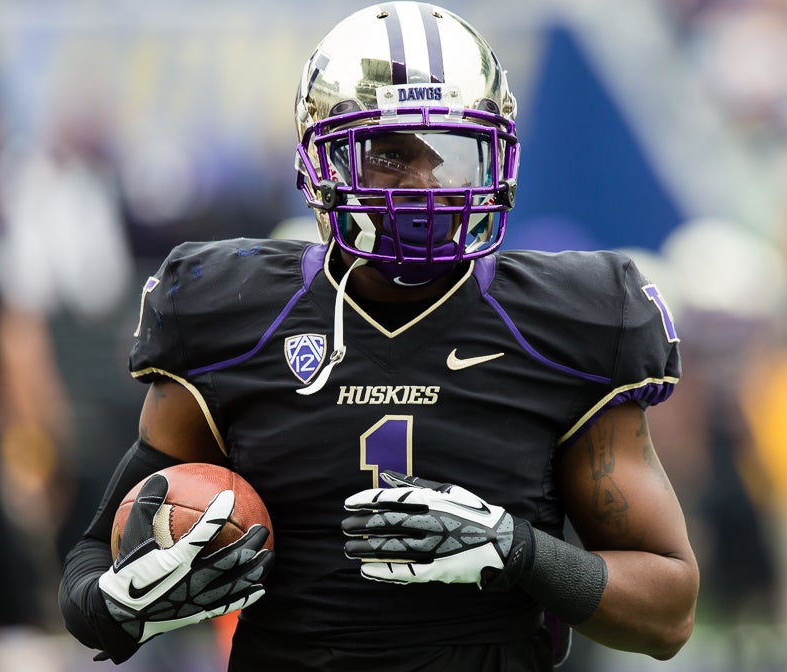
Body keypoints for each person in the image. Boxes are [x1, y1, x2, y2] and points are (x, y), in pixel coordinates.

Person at [58, 3, 699, 670]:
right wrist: (123, 602)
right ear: (324, 162)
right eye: (391, 154)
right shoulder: (234, 314)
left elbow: (670, 612)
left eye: (452, 153)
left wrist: (519, 551)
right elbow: (88, 570)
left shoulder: (564, 323)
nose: (425, 185)